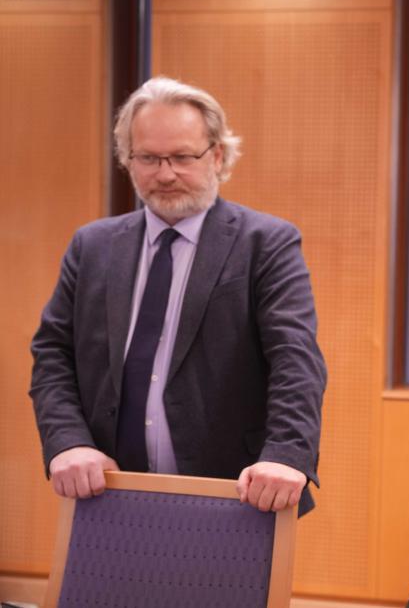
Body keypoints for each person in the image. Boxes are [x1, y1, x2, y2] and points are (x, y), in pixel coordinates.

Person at [30, 77, 326, 515]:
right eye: (148, 158)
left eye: (183, 157)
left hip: (236, 495)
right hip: (105, 493)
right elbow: (53, 352)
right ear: (128, 160)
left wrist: (286, 453)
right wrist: (67, 441)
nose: (165, 174)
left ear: (217, 156)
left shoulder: (266, 243)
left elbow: (295, 357)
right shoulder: (92, 246)